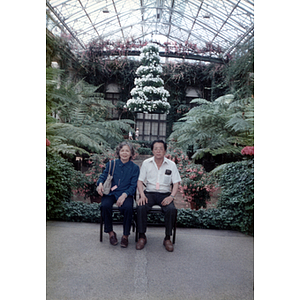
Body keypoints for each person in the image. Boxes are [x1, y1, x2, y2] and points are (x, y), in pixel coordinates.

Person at [136, 140, 181, 252]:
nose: (158, 151)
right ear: (152, 150)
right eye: (156, 148)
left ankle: (167, 238)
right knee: (141, 207)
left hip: (165, 194)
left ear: (165, 150)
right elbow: (140, 181)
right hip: (149, 193)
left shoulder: (171, 164)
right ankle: (142, 236)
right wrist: (142, 195)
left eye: (161, 148)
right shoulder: (146, 163)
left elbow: (176, 183)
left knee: (171, 209)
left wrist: (171, 196)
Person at [96, 142, 140, 248]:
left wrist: (124, 195)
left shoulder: (135, 168)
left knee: (128, 208)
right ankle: (111, 233)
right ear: (118, 152)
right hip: (111, 192)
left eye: (127, 151)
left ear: (131, 153)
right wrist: (100, 184)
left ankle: (125, 236)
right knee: (105, 206)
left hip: (126, 193)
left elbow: (133, 186)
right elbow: (103, 176)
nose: (124, 153)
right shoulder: (111, 164)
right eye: (122, 150)